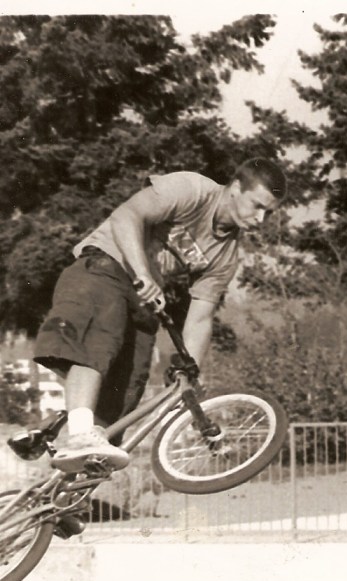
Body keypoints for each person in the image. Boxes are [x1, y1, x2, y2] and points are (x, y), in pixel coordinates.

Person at [33, 158, 287, 473]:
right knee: (100, 339)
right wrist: (143, 272)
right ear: (236, 188)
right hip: (105, 265)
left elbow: (200, 318)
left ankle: (72, 487)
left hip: (142, 298)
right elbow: (126, 216)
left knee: (128, 388)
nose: (261, 219)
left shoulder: (226, 255)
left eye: (269, 213)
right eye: (257, 206)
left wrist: (189, 371)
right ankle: (79, 433)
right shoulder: (192, 190)